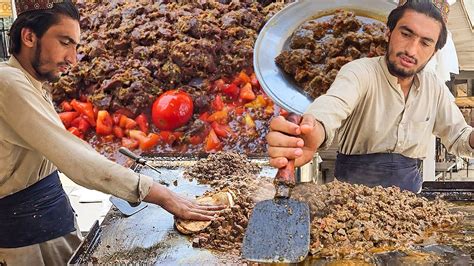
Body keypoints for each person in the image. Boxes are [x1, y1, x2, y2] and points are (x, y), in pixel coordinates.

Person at [0, 1, 223, 265]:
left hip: (49, 222)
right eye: (64, 42)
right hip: (26, 237)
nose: (72, 58)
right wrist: (161, 194)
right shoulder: (8, 83)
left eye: (76, 46)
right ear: (28, 37)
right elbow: (75, 159)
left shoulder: (31, 83)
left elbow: (71, 149)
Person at [266, 0, 474, 193]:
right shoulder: (359, 72)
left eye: (425, 43)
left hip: (410, 206)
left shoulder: (434, 88)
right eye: (406, 34)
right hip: (350, 204)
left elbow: (459, 137)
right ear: (389, 33)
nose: (411, 50)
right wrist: (311, 133)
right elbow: (332, 106)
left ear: (434, 52)